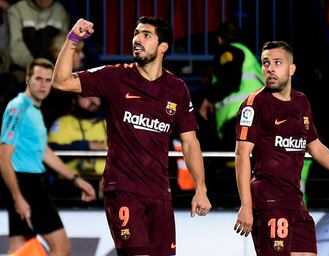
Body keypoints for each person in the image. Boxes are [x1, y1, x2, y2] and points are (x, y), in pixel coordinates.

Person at [52, 17, 212, 255]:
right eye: (136, 33)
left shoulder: (177, 89)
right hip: (123, 188)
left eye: (146, 35)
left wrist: (201, 188)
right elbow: (61, 82)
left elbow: (190, 143)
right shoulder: (114, 77)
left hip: (160, 193)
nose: (137, 39)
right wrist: (73, 39)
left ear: (163, 47)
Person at [233, 41, 329, 255]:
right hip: (269, 200)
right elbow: (241, 155)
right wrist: (246, 205)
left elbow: (315, 147)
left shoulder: (301, 102)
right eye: (265, 63)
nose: (270, 68)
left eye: (277, 62)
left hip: (296, 201)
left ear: (291, 69)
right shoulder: (254, 105)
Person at [0, 58, 96, 255]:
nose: (43, 85)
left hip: (28, 183)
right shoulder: (18, 107)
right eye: (38, 79)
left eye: (47, 80)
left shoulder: (34, 110)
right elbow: (3, 156)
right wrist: (18, 197)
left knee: (18, 248)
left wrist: (76, 179)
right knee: (60, 247)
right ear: (27, 79)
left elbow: (43, 151)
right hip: (25, 184)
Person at [199, 21, 264, 151]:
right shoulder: (250, 56)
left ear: (219, 39)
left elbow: (230, 79)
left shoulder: (229, 50)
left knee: (235, 166)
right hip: (256, 117)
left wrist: (209, 99)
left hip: (239, 117)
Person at [47, 95, 107, 178]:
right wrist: (86, 146)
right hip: (71, 182)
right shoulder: (64, 123)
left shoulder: (113, 123)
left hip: (107, 183)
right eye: (85, 96)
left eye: (95, 95)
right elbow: (50, 150)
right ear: (74, 100)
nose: (92, 100)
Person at [7, 0, 69, 69]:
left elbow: (63, 46)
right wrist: (35, 67)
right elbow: (16, 45)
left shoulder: (61, 12)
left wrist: (52, 68)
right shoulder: (17, 9)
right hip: (23, 68)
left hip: (53, 69)